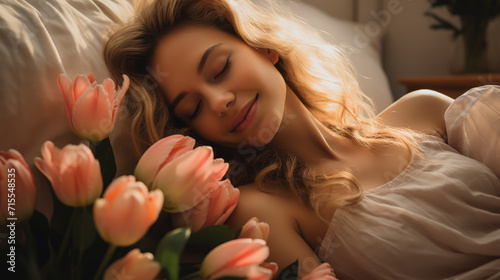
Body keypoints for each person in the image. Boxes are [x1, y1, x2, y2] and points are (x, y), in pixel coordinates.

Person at [103, 0, 500, 278]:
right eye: (193, 110)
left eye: (221, 68)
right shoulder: (262, 209)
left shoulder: (425, 111)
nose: (219, 102)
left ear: (264, 49)